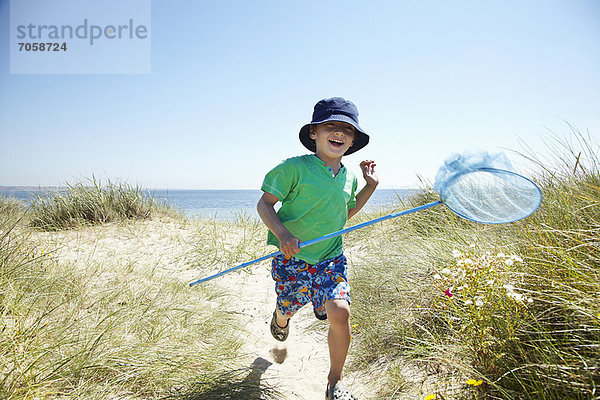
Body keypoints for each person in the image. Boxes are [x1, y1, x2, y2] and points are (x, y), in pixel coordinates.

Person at [256, 97, 378, 400]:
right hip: (293, 259)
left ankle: (335, 382)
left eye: (347, 130)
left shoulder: (349, 176)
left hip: (330, 259)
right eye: (331, 126)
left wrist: (370, 186)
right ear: (314, 133)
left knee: (339, 312)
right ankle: (281, 318)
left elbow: (344, 215)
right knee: (288, 307)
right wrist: (283, 234)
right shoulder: (292, 169)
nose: (339, 133)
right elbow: (264, 204)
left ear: (352, 140)